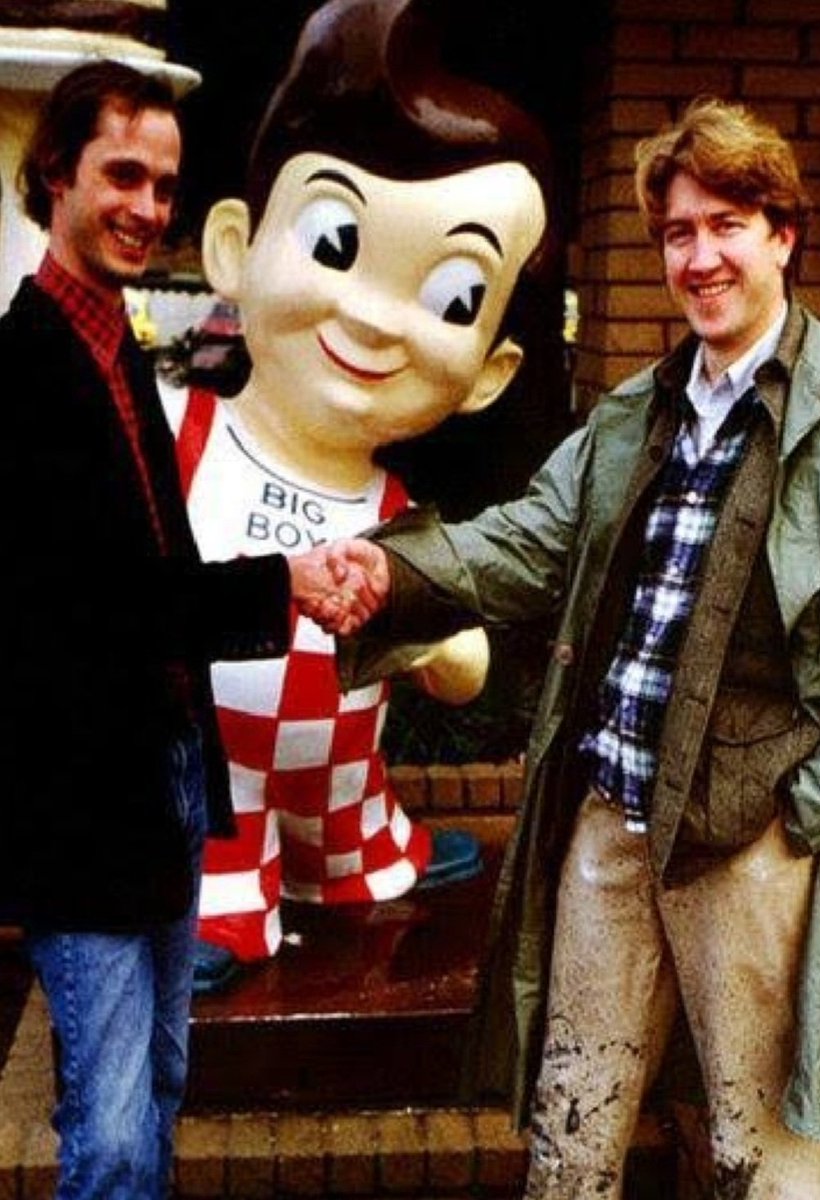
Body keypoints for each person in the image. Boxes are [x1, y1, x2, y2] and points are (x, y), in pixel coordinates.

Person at [312, 97, 820, 1198]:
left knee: (764, 1159)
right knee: (572, 1134)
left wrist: (804, 812)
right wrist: (391, 569)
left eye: (726, 224)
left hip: (753, 848)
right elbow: (528, 540)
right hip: (610, 827)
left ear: (781, 234)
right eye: (677, 232)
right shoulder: (638, 411)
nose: (699, 257)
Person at [0, 60, 377, 1199]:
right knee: (110, 1135)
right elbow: (90, 606)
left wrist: (279, 582)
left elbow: (154, 567)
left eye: (164, 185)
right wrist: (289, 586)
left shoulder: (116, 344)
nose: (147, 208)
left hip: (164, 778)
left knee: (161, 1088)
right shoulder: (18, 374)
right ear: (53, 177)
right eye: (122, 175)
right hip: (84, 810)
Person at [156, 0, 556, 987]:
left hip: (343, 795)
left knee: (349, 802)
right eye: (334, 244)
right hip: (208, 788)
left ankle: (348, 853)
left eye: (451, 298)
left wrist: (440, 640)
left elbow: (452, 663)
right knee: (208, 790)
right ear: (232, 249)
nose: (375, 320)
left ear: (487, 373)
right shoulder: (177, 437)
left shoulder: (395, 512)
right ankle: (222, 880)